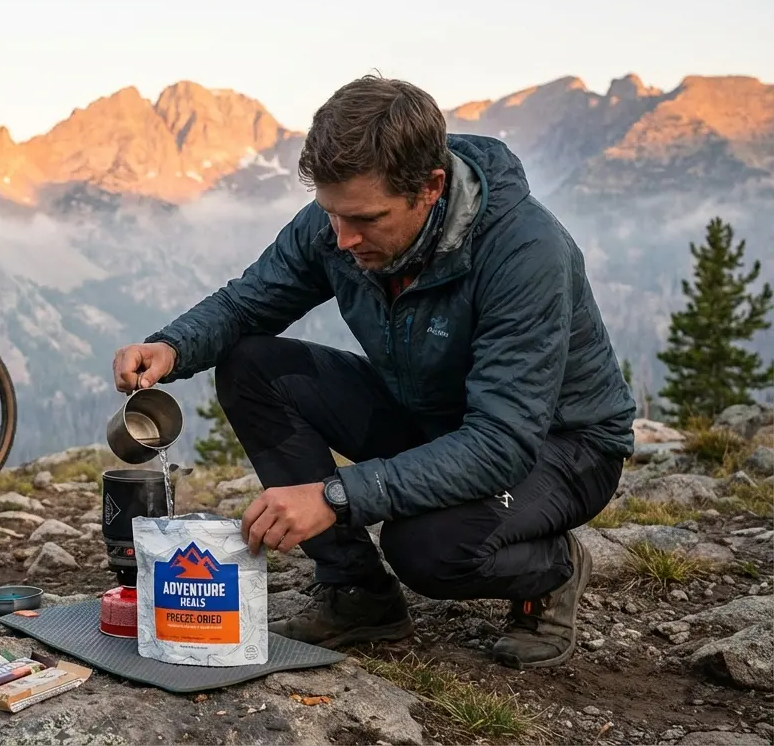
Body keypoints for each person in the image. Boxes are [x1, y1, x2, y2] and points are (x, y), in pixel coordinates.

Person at [110, 75, 636, 670]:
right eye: (331, 214)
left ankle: (553, 569)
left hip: (559, 445)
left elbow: (501, 441)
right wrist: (171, 347)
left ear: (431, 188)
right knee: (251, 365)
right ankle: (357, 594)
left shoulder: (524, 251)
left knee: (427, 550)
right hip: (434, 418)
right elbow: (248, 303)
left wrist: (335, 496)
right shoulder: (340, 222)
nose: (342, 237)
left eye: (365, 218)